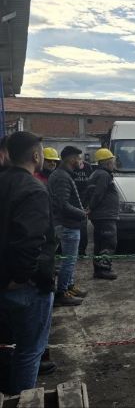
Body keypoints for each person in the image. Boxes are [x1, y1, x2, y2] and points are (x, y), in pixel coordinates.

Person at [0, 132, 56, 395]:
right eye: (42, 152)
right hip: (24, 287)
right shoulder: (34, 188)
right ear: (35, 155)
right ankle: (22, 399)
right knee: (30, 350)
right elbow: (30, 241)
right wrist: (21, 277)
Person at [48, 146, 88, 306]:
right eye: (79, 158)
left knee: (70, 259)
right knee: (69, 260)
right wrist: (81, 213)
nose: (81, 161)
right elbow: (62, 204)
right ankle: (62, 292)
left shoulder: (63, 174)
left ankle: (69, 286)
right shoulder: (62, 177)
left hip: (69, 223)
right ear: (71, 159)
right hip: (67, 224)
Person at [87, 148, 119, 280]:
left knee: (100, 242)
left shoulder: (96, 173)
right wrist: (91, 207)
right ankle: (104, 269)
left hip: (100, 215)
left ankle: (99, 269)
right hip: (105, 215)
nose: (114, 164)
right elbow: (98, 194)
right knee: (109, 242)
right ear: (107, 162)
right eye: (112, 161)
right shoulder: (104, 175)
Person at [72, 156, 93, 257]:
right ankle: (78, 250)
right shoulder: (72, 166)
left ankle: (81, 250)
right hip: (73, 200)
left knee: (82, 227)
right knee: (76, 226)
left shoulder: (88, 167)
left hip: (83, 201)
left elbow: (90, 184)